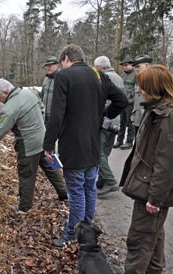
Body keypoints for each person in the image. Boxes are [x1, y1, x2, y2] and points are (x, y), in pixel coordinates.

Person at [43, 44, 127, 247]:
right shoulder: (99, 75)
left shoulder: (64, 77)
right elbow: (122, 100)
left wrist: (48, 144)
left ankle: (72, 234)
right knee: (89, 188)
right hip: (93, 146)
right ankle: (87, 230)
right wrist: (105, 115)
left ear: (65, 59)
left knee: (77, 192)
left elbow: (57, 114)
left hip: (73, 147)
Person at [119, 65, 173, 274]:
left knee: (139, 242)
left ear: (153, 87)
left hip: (150, 192)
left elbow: (168, 164)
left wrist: (156, 197)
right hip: (147, 187)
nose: (138, 90)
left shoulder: (169, 118)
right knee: (153, 238)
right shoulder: (156, 111)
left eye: (141, 86)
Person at [0, 78, 45, 213]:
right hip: (42, 138)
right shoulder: (29, 93)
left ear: (6, 91)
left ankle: (24, 208)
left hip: (28, 145)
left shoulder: (10, 108)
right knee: (50, 168)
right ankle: (63, 193)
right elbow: (42, 108)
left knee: (26, 176)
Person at [93, 56, 124, 196]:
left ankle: (110, 181)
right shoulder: (118, 77)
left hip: (107, 121)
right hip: (116, 121)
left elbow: (109, 100)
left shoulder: (105, 78)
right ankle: (102, 181)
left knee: (98, 151)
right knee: (105, 151)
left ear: (99, 67)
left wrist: (104, 114)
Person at [39, 56, 68, 201]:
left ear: (57, 65)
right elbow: (42, 96)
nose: (49, 68)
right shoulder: (46, 80)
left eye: (51, 65)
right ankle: (55, 169)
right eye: (47, 66)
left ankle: (61, 174)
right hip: (45, 116)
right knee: (49, 146)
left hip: (58, 117)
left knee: (59, 143)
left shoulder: (62, 78)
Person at [113, 56, 136, 150]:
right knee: (122, 123)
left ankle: (129, 142)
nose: (124, 67)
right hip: (123, 103)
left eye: (126, 65)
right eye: (123, 65)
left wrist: (131, 99)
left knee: (130, 123)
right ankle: (119, 140)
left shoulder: (136, 75)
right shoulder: (123, 75)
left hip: (130, 103)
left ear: (131, 65)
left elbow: (137, 90)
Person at [131, 54, 152, 135]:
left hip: (147, 120)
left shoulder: (152, 80)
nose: (136, 69)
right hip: (138, 118)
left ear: (147, 65)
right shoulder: (139, 79)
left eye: (138, 66)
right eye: (135, 67)